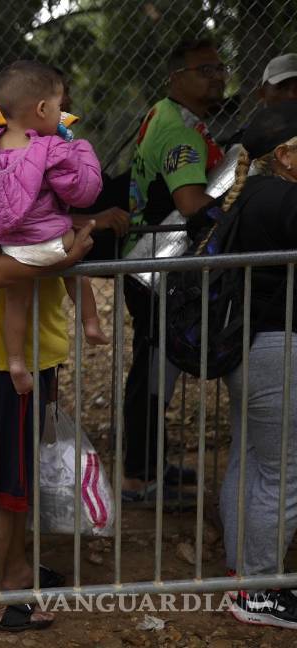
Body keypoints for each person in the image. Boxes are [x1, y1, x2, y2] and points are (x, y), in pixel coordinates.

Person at [0, 206, 96, 632]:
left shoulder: (45, 214)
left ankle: (12, 575)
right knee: (0, 489)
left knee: (12, 485)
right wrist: (64, 258)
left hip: (19, 364)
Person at [0, 60, 107, 395]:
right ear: (42, 108)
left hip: (5, 242)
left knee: (16, 302)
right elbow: (82, 192)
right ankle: (91, 322)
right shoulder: (49, 148)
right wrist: (79, 149)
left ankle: (16, 362)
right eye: (58, 107)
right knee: (75, 259)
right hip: (45, 241)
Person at [122, 38, 227, 501]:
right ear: (176, 78)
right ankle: (139, 477)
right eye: (205, 70)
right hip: (157, 266)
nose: (218, 76)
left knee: (153, 364)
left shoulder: (163, 113)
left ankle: (148, 465)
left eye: (220, 67)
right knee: (154, 367)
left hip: (149, 261)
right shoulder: (179, 131)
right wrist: (234, 204)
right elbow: (190, 203)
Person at [213, 101, 297, 629]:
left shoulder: (256, 194)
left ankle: (242, 574)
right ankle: (258, 589)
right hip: (276, 348)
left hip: (254, 347)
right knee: (282, 472)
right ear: (287, 154)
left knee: (252, 460)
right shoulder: (283, 200)